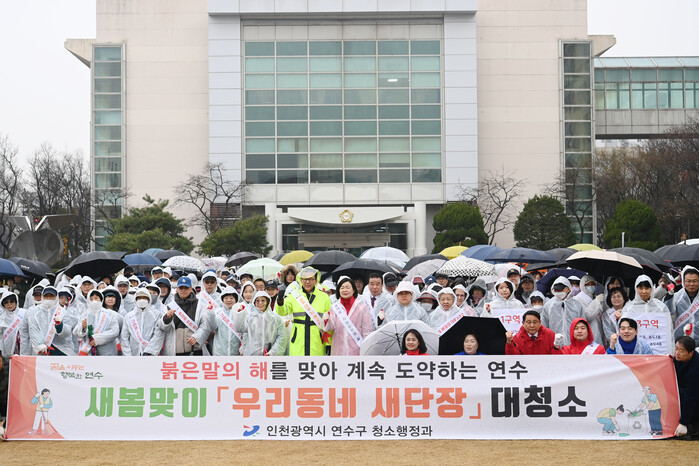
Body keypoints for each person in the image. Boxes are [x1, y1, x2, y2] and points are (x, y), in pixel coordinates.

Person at [275, 267, 330, 356]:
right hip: (298, 341)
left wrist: (328, 343)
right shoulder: (294, 295)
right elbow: (282, 312)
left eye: (310, 279)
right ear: (300, 280)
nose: (307, 282)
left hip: (317, 341)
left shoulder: (324, 297)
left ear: (316, 281)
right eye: (304, 279)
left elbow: (329, 322)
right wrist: (280, 301)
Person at [621, 275, 674, 354]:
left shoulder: (661, 307)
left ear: (652, 289)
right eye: (641, 288)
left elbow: (669, 331)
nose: (644, 291)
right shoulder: (628, 308)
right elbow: (622, 331)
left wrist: (671, 350)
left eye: (647, 288)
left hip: (658, 351)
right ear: (636, 289)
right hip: (635, 352)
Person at [322, 276, 373, 356]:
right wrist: (326, 320)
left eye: (347, 287)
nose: (345, 290)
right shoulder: (334, 307)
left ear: (353, 290)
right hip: (338, 350)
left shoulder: (362, 308)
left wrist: (366, 350)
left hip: (357, 351)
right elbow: (329, 328)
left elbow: (367, 330)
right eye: (342, 288)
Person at [161, 276, 209, 356]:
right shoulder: (169, 306)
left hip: (195, 350)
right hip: (175, 351)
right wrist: (167, 319)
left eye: (186, 288)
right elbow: (162, 327)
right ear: (177, 289)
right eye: (181, 288)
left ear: (191, 288)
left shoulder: (200, 305)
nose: (183, 290)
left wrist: (196, 338)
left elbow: (205, 325)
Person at [232, 290, 286, 356]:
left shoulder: (276, 319)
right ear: (254, 302)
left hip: (269, 355)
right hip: (251, 355)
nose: (260, 303)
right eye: (257, 301)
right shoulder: (250, 318)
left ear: (267, 302)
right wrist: (240, 314)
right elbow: (241, 330)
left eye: (263, 300)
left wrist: (272, 352)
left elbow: (282, 337)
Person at [27, 287, 75, 356]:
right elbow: (34, 330)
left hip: (61, 350)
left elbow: (67, 332)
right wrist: (40, 345)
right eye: (46, 296)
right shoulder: (35, 312)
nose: (49, 298)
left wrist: (60, 326)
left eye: (51, 296)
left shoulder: (62, 312)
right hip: (42, 350)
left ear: (56, 297)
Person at [72, 289, 120, 356]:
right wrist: (83, 328)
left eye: (96, 298)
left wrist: (97, 339)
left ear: (101, 299)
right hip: (89, 351)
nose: (94, 301)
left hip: (108, 350)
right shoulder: (84, 315)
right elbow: (76, 332)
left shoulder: (110, 314)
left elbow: (115, 331)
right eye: (91, 299)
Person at [120, 288, 165, 356]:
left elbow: (158, 335)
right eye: (139, 298)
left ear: (149, 299)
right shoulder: (129, 316)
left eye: (144, 298)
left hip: (151, 355)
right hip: (133, 354)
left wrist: (150, 351)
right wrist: (128, 355)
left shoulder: (156, 315)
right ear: (135, 300)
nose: (142, 300)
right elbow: (124, 338)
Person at [541, 277, 585, 346]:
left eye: (560, 289)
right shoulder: (549, 305)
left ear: (568, 289)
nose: (558, 291)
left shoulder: (576, 305)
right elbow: (544, 326)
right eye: (556, 289)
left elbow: (583, 324)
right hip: (554, 345)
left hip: (574, 345)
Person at [0, 290, 24, 417]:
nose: (9, 304)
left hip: (21, 353)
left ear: (16, 302)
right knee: (6, 385)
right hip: (6, 356)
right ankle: (6, 413)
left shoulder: (23, 314)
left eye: (12, 302)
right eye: (6, 302)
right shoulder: (1, 318)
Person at [576, 275, 616, 347]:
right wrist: (597, 301)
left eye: (593, 284)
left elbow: (605, 311)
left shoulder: (594, 297)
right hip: (588, 332)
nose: (591, 286)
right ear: (582, 285)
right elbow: (587, 315)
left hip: (599, 330)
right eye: (588, 284)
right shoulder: (578, 299)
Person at [673, 335, 699, 437]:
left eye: (681, 350)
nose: (677, 353)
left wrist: (683, 423)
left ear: (691, 353)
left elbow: (691, 397)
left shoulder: (695, 370)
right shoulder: (677, 359)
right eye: (676, 348)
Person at [209, 286, 243, 356]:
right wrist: (210, 314)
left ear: (236, 299)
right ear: (222, 299)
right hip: (219, 352)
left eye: (231, 298)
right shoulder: (218, 313)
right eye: (226, 298)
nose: (228, 300)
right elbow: (213, 327)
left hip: (236, 352)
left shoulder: (239, 312)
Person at [669, 266, 699, 345]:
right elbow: (669, 311)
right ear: (683, 282)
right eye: (688, 281)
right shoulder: (677, 297)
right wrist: (668, 297)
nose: (691, 284)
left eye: (695, 281)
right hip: (681, 343)